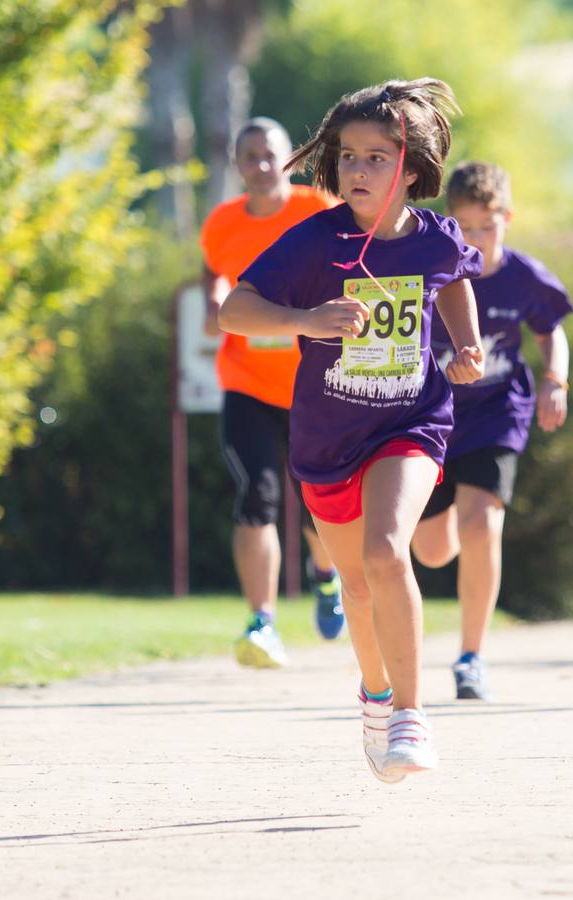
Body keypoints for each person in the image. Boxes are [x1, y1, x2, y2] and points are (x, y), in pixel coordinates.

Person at [218, 78, 484, 782]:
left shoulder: (437, 237)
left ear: (411, 166)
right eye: (347, 156)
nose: (358, 170)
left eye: (375, 156)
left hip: (412, 421)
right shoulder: (312, 241)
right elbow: (234, 311)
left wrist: (465, 346)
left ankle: (411, 715)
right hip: (327, 440)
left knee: (388, 552)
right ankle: (374, 693)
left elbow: (454, 278)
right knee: (359, 587)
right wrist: (303, 321)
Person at [410, 162, 573, 699]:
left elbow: (553, 334)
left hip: (498, 412)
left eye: (488, 227)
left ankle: (470, 657)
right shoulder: (431, 270)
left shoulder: (525, 277)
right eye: (466, 228)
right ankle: (457, 516)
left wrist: (555, 380)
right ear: (449, 223)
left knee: (483, 525)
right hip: (433, 415)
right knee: (432, 551)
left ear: (507, 218)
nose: (477, 240)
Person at [198, 118, 346, 667]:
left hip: (316, 384)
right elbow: (213, 274)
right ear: (237, 165)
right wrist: (216, 303)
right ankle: (262, 621)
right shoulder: (222, 223)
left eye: (271, 155)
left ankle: (325, 577)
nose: (261, 165)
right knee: (255, 497)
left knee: (318, 503)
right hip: (247, 384)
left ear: (292, 160)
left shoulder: (320, 211)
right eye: (250, 156)